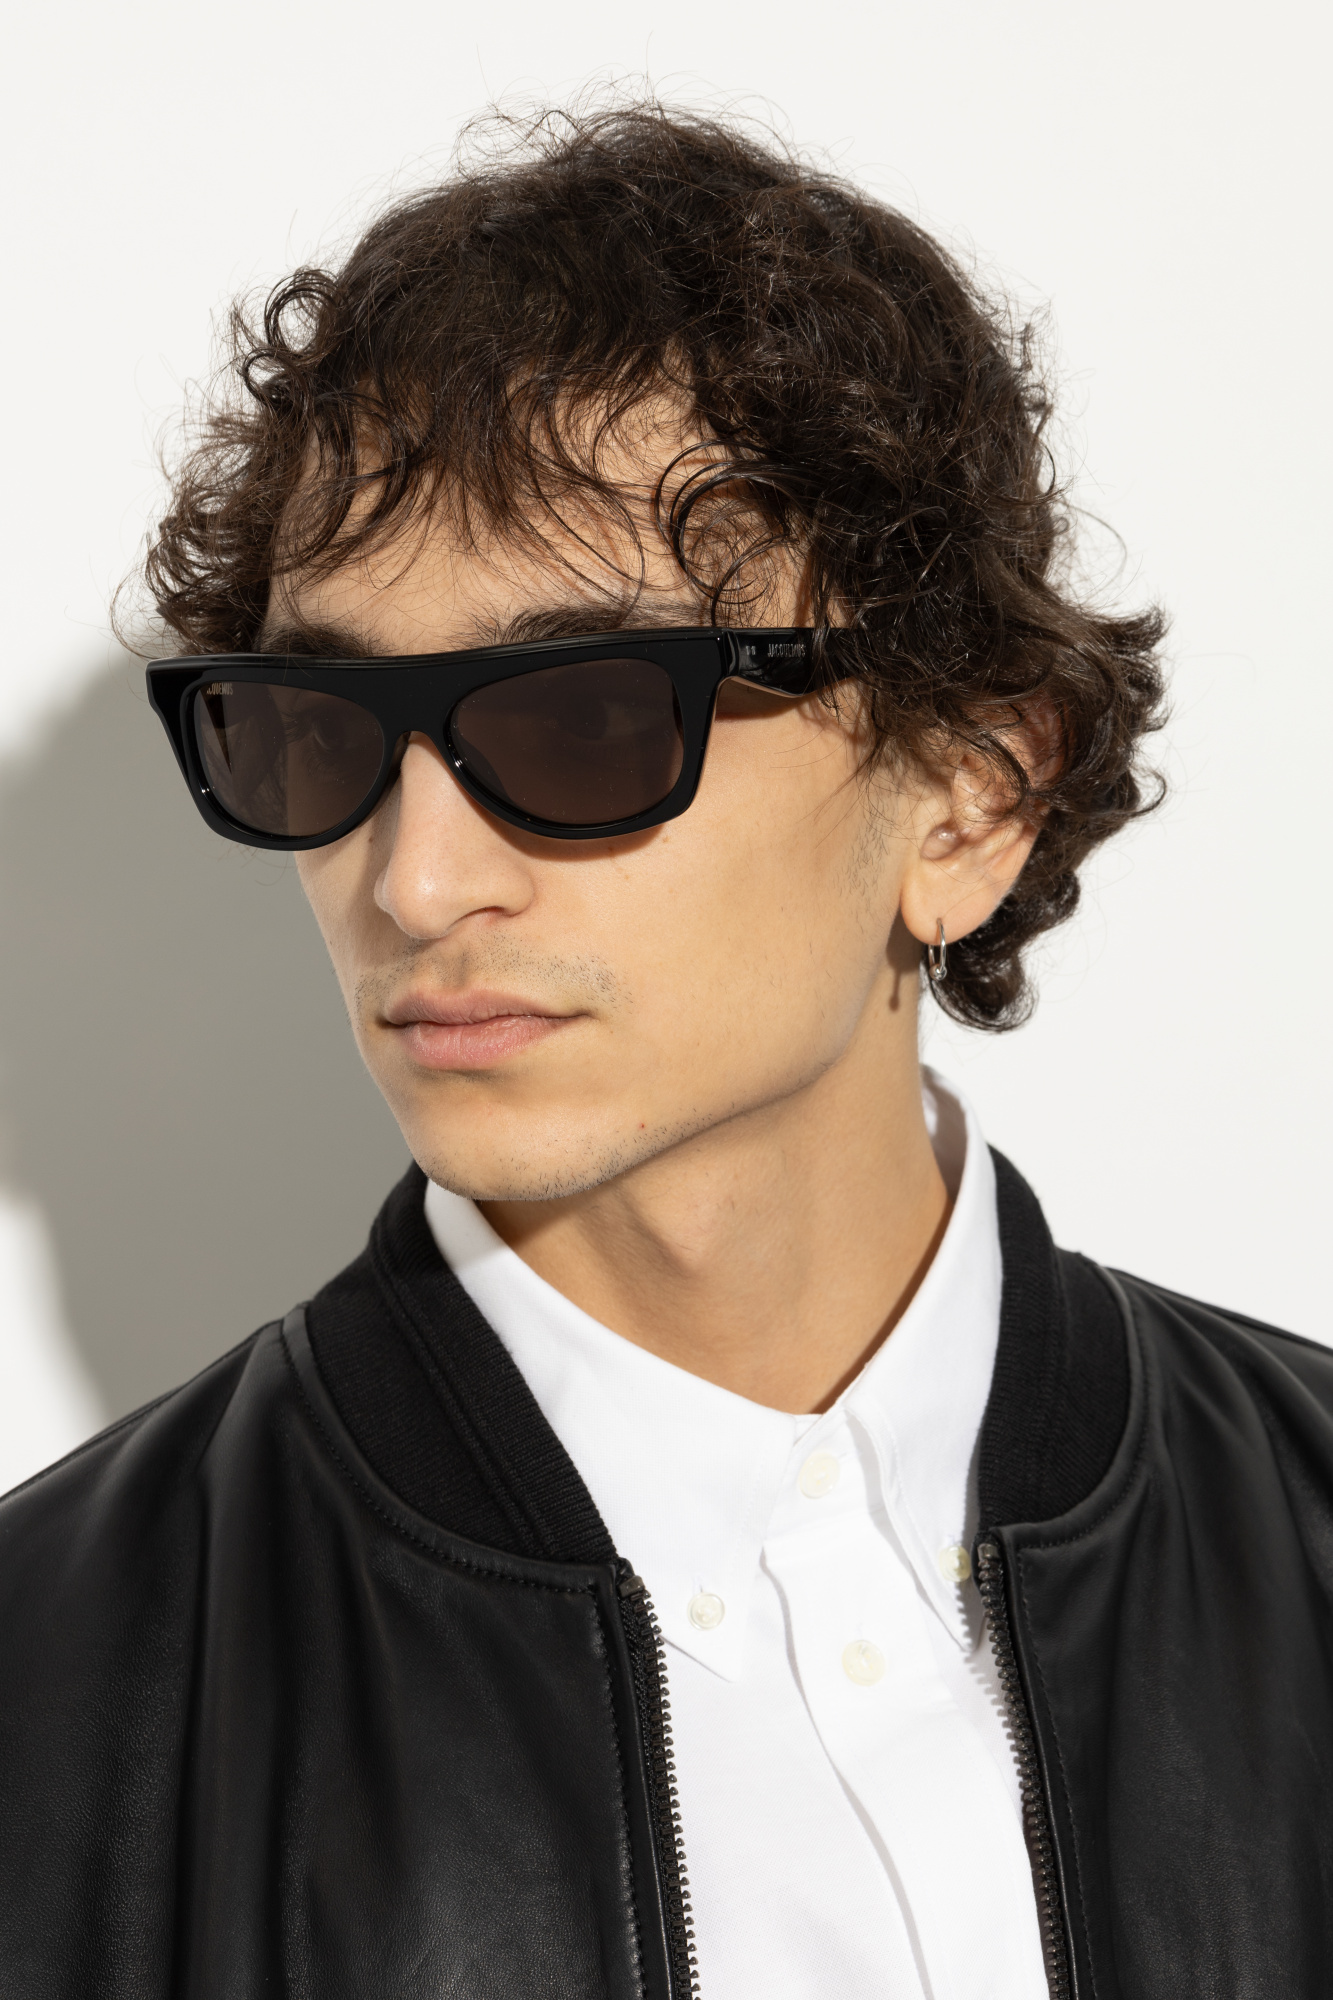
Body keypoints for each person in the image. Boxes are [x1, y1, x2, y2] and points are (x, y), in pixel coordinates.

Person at [0, 101, 1328, 2000]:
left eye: (584, 716)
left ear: (970, 794)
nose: (414, 877)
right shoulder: (54, 1704)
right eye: (321, 726)